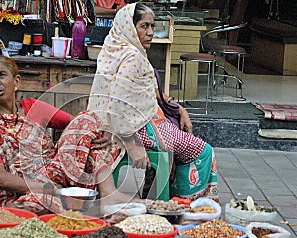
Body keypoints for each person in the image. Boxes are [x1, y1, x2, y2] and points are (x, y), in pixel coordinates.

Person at [0, 55, 140, 214]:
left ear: (16, 81)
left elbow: (78, 125)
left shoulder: (32, 107)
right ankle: (60, 205)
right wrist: (44, 188)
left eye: (1, 75)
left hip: (56, 172)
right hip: (25, 191)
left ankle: (109, 194)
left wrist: (102, 132)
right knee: (32, 205)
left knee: (88, 120)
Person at [88, 3, 218, 201]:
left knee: (177, 131)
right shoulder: (132, 57)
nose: (150, 32)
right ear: (130, 28)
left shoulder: (114, 48)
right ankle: (187, 202)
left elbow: (145, 93)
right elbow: (118, 101)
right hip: (133, 129)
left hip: (114, 124)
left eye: (152, 26)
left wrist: (177, 107)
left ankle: (168, 192)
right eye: (144, 26)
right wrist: (133, 145)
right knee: (201, 150)